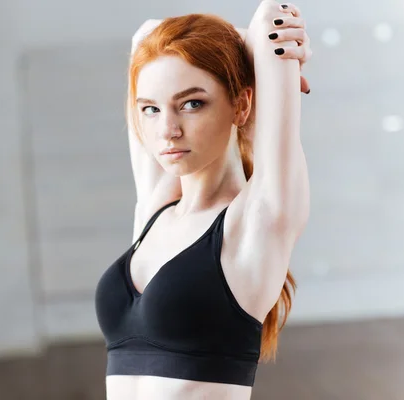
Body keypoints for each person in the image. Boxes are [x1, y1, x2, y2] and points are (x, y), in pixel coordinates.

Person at [94, 1, 312, 399]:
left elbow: (271, 18)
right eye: (151, 109)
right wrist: (238, 51)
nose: (168, 130)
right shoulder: (156, 208)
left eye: (192, 103)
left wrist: (250, 52)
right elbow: (146, 33)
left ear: (241, 104)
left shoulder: (259, 220)